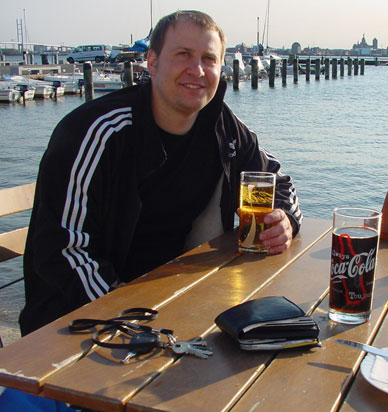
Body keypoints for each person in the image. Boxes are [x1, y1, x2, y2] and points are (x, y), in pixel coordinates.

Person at [19, 10, 302, 336]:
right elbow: (62, 250)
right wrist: (129, 318)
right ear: (152, 62)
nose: (197, 70)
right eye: (183, 54)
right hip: (76, 322)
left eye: (209, 59)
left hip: (171, 300)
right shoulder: (98, 132)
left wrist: (284, 220)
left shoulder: (220, 125)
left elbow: (275, 179)